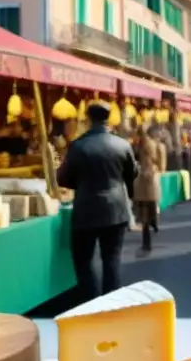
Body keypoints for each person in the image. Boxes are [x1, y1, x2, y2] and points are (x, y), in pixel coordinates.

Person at [56, 100, 137, 301]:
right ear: (108, 118)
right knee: (112, 258)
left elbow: (63, 178)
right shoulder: (122, 144)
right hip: (117, 208)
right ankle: (112, 302)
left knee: (84, 260)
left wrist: (83, 184)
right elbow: (132, 174)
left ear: (88, 118)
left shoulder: (78, 145)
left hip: (86, 208)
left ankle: (91, 303)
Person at [133, 124, 167, 253]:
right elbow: (162, 166)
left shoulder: (136, 145)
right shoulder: (158, 146)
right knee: (151, 204)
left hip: (139, 178)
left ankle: (146, 239)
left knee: (143, 211)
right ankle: (154, 223)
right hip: (152, 177)